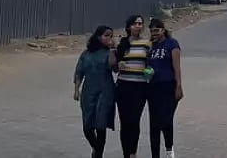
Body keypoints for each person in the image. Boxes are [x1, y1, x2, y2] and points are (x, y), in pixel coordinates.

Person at [74, 25, 117, 158]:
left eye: (111, 36)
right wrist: (76, 89)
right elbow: (79, 72)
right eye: (106, 35)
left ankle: (98, 155)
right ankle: (97, 149)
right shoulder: (86, 54)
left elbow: (114, 68)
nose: (109, 38)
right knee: (87, 128)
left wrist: (112, 50)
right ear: (98, 37)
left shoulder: (110, 53)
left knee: (100, 125)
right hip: (88, 92)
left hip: (106, 91)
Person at [115, 14, 151, 158]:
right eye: (135, 23)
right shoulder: (122, 43)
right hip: (123, 86)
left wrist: (149, 72)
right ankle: (126, 153)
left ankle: (132, 152)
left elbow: (150, 63)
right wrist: (117, 62)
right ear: (129, 27)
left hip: (140, 87)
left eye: (140, 23)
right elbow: (114, 66)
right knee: (125, 122)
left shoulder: (147, 44)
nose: (138, 26)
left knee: (134, 121)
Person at [147, 18, 183, 158]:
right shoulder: (151, 46)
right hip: (153, 87)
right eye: (151, 31)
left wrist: (178, 86)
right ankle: (154, 154)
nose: (154, 33)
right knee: (154, 123)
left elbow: (177, 67)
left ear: (163, 30)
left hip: (168, 86)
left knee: (166, 120)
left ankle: (169, 149)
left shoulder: (171, 44)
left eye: (156, 30)